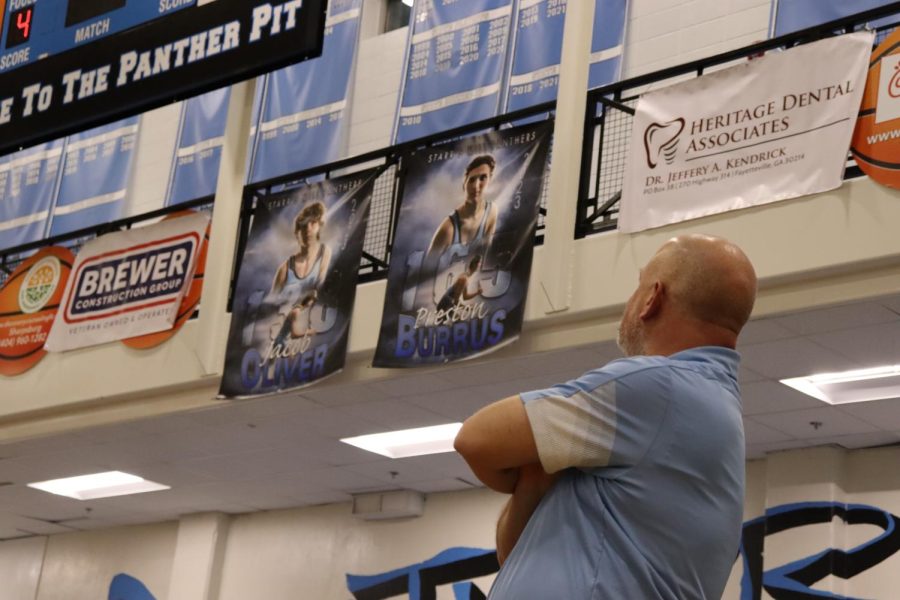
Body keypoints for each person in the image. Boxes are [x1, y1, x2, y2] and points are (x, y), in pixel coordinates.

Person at [454, 234, 757, 599]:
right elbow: (513, 553)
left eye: (638, 285)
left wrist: (528, 459)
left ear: (652, 298)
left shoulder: (657, 387)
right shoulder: (700, 406)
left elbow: (475, 439)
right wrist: (535, 474)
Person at [270, 201, 331, 346]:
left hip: (307, 340)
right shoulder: (285, 268)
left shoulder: (325, 253)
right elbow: (270, 306)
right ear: (297, 232)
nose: (307, 229)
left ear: (319, 226)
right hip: (281, 342)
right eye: (303, 226)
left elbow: (319, 290)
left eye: (312, 223)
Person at [426, 155, 499, 264]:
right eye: (471, 180)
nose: (476, 186)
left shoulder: (492, 211)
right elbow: (424, 274)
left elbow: (484, 258)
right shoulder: (448, 229)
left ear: (490, 180)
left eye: (483, 178)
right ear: (464, 183)